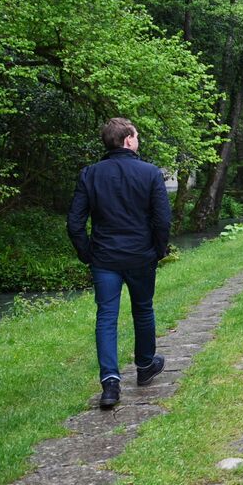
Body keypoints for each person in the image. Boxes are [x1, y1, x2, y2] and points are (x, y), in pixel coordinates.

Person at [67, 117, 170, 409]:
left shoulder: (90, 174)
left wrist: (87, 253)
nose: (138, 141)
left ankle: (110, 383)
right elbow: (162, 219)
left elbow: (75, 223)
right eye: (136, 137)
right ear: (127, 140)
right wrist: (159, 250)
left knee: (106, 317)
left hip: (104, 258)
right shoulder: (150, 173)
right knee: (143, 310)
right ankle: (145, 365)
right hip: (140, 256)